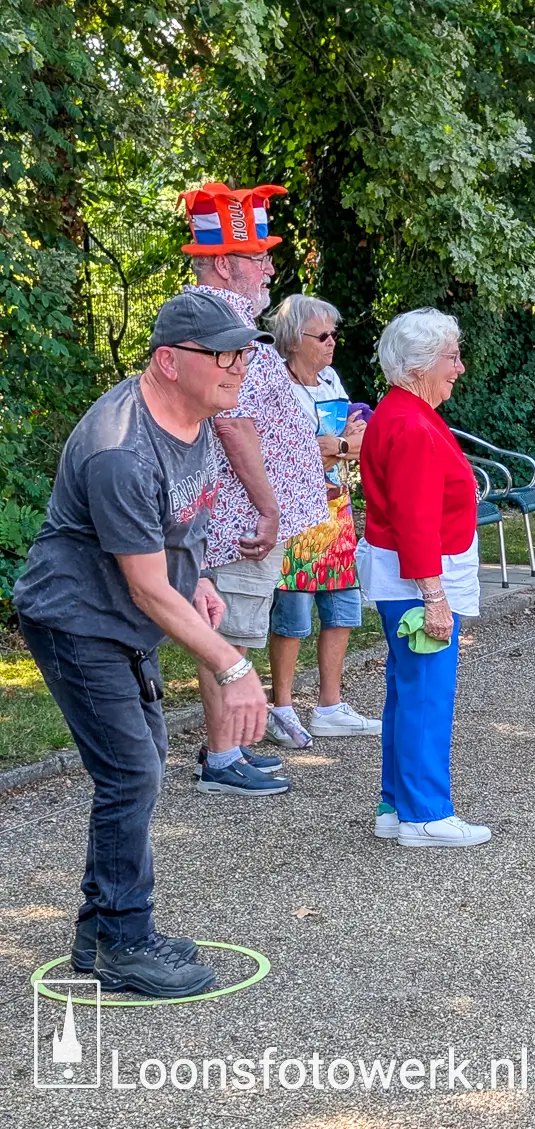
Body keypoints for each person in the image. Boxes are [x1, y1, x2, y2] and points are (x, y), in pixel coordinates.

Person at [13, 293, 270, 996]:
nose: (238, 366)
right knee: (131, 771)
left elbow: (180, 525)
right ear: (169, 361)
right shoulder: (120, 448)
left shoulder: (196, 419)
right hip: (77, 618)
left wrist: (202, 577)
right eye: (224, 354)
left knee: (142, 762)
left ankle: (99, 930)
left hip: (124, 616)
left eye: (242, 353)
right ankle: (125, 942)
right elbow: (149, 587)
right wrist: (232, 664)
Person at [180, 181, 326, 796]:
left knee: (237, 632)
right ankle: (221, 759)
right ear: (223, 264)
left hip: (245, 518)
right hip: (239, 520)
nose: (269, 269)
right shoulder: (221, 323)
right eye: (257, 257)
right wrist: (268, 508)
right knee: (230, 636)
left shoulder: (229, 319)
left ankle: (232, 747)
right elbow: (233, 422)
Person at [355, 309, 489, 847]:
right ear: (418, 366)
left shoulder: (403, 413)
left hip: (408, 575)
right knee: (427, 695)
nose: (459, 367)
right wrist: (435, 597)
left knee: (408, 690)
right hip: (419, 580)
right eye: (451, 357)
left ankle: (397, 804)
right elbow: (414, 518)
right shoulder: (411, 423)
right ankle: (425, 813)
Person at [263, 295, 381, 746]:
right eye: (323, 335)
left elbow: (351, 439)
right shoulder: (279, 386)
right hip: (296, 514)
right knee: (292, 615)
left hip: (336, 509)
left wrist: (339, 443)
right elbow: (291, 453)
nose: (332, 343)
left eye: (334, 334)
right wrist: (340, 445)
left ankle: (330, 706)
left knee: (342, 610)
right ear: (294, 340)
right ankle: (283, 708)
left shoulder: (330, 379)